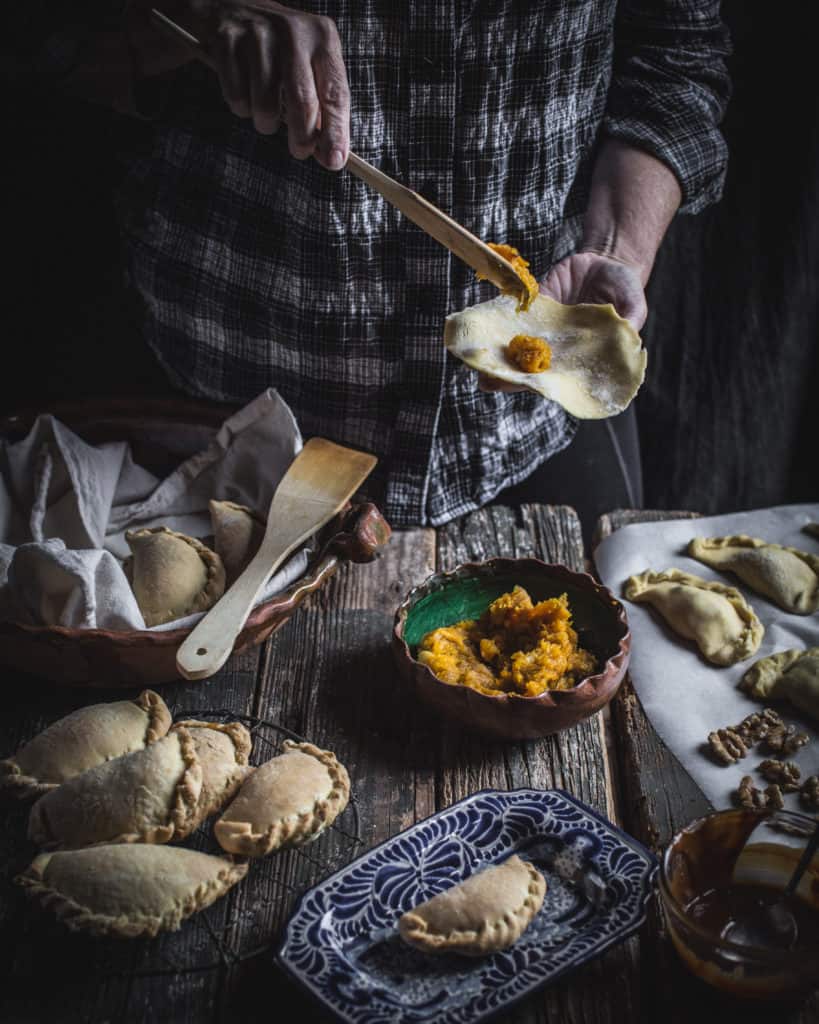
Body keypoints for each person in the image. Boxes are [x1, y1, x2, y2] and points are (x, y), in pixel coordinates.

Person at [11, 1, 731, 539]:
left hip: (530, 425)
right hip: (213, 418)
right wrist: (197, 16)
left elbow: (673, 57)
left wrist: (613, 252)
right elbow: (39, 36)